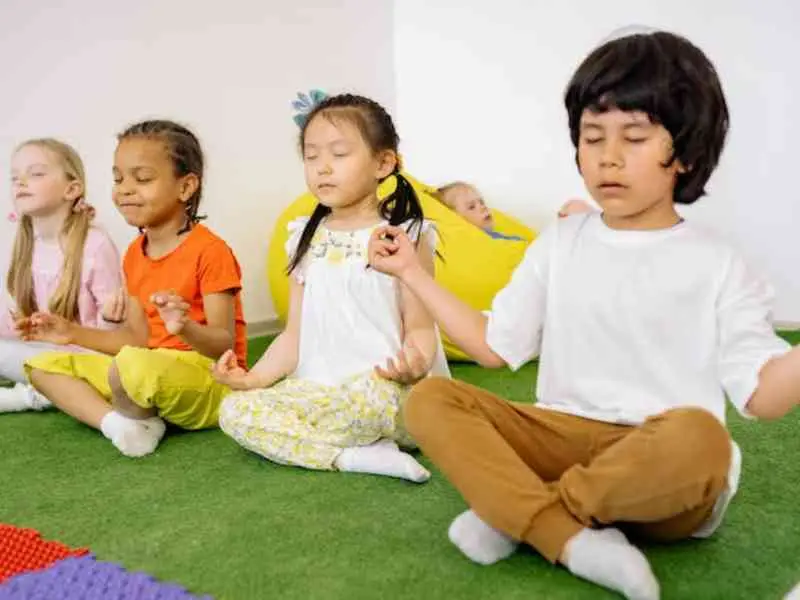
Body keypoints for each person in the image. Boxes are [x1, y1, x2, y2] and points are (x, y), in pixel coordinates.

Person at [367, 31, 798, 599]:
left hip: (664, 472)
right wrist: (413, 275)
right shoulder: (560, 241)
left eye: (635, 137)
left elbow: (762, 398)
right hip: (562, 437)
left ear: (687, 154)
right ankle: (569, 539)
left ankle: (519, 517)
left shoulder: (719, 262)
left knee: (703, 438)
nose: (608, 157)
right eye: (592, 137)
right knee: (431, 399)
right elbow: (496, 346)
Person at [215, 94, 449, 483]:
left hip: (388, 393)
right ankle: (352, 456)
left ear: (383, 162)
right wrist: (253, 379)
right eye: (311, 157)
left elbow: (421, 327)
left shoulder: (407, 233)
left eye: (339, 154)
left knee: (370, 401)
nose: (322, 168)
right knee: (235, 412)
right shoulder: (303, 237)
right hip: (320, 391)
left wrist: (415, 363)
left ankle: (347, 440)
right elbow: (294, 334)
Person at [24, 120, 247, 458]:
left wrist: (183, 327)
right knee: (43, 366)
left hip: (209, 378)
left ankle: (135, 414)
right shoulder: (133, 253)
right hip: (145, 366)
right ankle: (120, 425)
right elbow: (135, 339)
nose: (125, 189)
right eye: (118, 179)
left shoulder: (210, 250)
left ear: (185, 188)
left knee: (131, 366)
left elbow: (223, 346)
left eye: (142, 179)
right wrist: (70, 332)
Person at [0, 138, 122, 412]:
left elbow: (113, 334)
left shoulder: (95, 244)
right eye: (14, 177)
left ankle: (34, 395)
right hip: (42, 351)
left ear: (72, 189)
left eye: (36, 173)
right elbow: (19, 320)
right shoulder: (25, 243)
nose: (20, 182)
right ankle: (43, 388)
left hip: (85, 356)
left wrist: (109, 318)